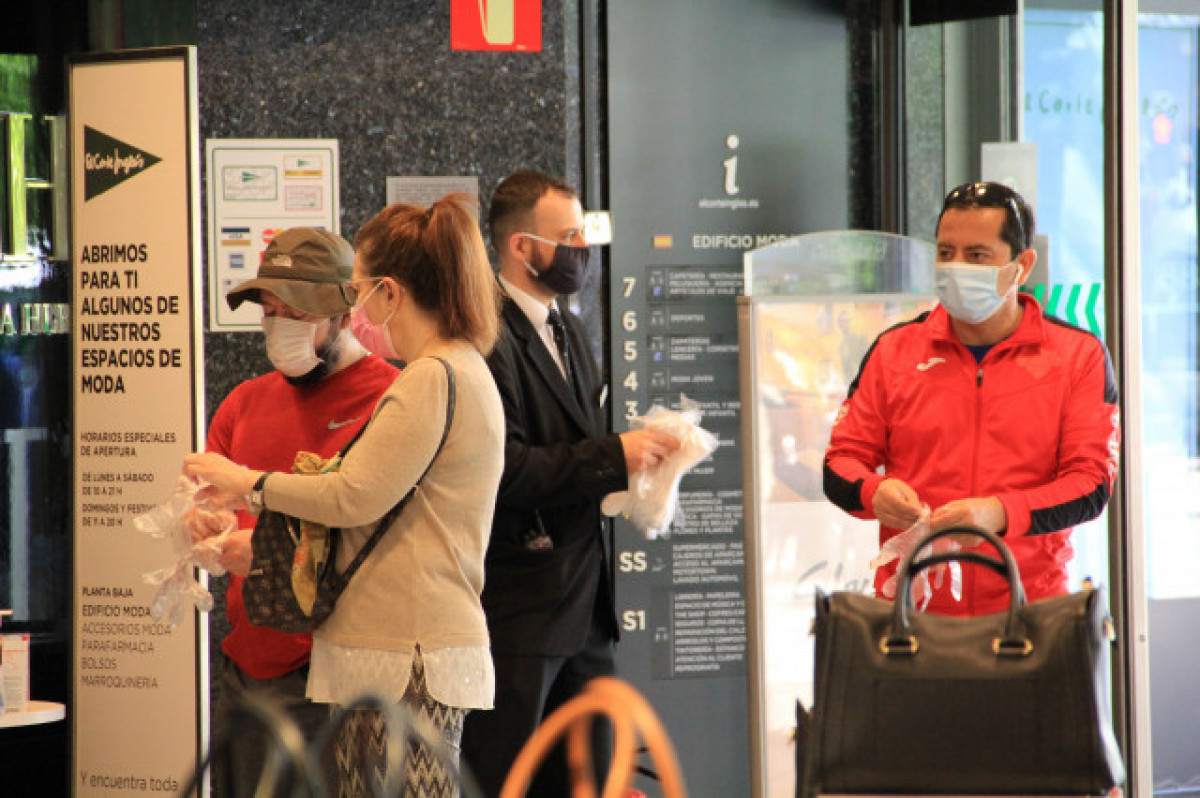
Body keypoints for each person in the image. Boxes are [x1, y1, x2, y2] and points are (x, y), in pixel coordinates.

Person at [185, 195, 504, 797]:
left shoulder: (428, 377)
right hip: (389, 653)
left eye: (357, 289)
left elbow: (350, 497)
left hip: (405, 654)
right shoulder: (454, 368)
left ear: (388, 292)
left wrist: (249, 486)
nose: (359, 304)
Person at [460, 169, 679, 796]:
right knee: (507, 780)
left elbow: (578, 445)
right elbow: (505, 470)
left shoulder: (572, 330)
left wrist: (640, 465)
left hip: (586, 609)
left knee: (593, 782)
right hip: (522, 613)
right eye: (570, 237)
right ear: (521, 246)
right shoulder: (486, 337)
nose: (583, 249)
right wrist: (614, 455)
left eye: (584, 233)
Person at [822, 181, 1120, 617]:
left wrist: (1000, 513)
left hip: (1031, 613)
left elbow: (1091, 485)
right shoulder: (893, 351)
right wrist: (874, 491)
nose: (956, 267)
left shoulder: (1078, 356)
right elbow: (839, 464)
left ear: (1022, 266)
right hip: (913, 615)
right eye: (946, 252)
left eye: (977, 255)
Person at [194, 227, 400, 796]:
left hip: (334, 674)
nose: (279, 326)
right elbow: (209, 500)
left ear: (344, 311)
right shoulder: (245, 403)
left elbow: (381, 539)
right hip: (244, 666)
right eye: (270, 311)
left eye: (297, 313)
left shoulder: (391, 401)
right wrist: (201, 523)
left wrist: (265, 552)